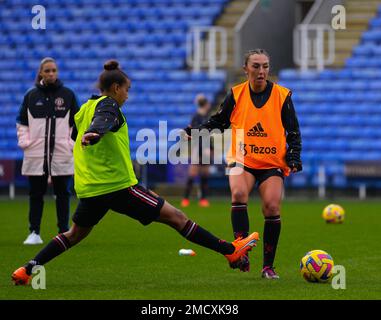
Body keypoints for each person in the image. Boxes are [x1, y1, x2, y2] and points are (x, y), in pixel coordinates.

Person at [11, 60, 259, 286]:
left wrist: (91, 134)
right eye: (127, 90)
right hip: (118, 187)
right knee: (177, 218)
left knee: (73, 234)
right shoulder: (109, 106)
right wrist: (96, 132)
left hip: (91, 189)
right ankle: (230, 250)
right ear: (116, 87)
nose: (127, 96)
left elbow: (78, 134)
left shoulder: (85, 107)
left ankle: (27, 269)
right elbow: (105, 119)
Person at [184, 49, 302, 278]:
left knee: (272, 207)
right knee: (238, 194)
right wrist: (197, 131)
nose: (261, 71)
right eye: (256, 66)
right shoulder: (236, 94)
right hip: (242, 159)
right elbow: (219, 122)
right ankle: (241, 251)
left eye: (265, 66)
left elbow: (293, 131)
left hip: (271, 162)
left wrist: (294, 156)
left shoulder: (282, 95)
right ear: (245, 69)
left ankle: (268, 266)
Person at [16, 57, 79, 245]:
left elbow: (77, 123)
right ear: (41, 73)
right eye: (47, 71)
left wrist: (70, 144)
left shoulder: (68, 94)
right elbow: (22, 122)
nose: (51, 73)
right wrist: (25, 142)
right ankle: (34, 232)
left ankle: (63, 232)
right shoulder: (31, 95)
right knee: (36, 194)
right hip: (36, 154)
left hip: (61, 154)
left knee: (63, 194)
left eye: (54, 70)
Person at [181, 94, 213, 208]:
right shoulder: (196, 117)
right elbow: (195, 134)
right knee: (193, 174)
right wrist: (202, 149)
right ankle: (185, 198)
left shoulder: (208, 117)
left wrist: (210, 148)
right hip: (198, 148)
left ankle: (203, 199)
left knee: (205, 174)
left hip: (206, 149)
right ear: (205, 104)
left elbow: (208, 135)